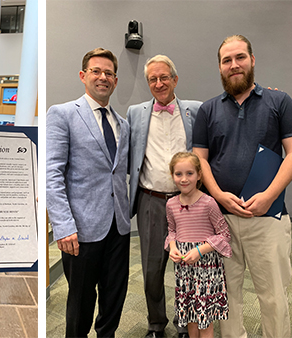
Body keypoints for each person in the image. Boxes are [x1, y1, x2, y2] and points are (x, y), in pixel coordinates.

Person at [192, 34, 292, 338]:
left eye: (240, 57)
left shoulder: (280, 101)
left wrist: (268, 196)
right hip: (221, 219)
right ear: (220, 67)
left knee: (274, 296)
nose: (234, 65)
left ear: (252, 60)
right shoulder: (208, 110)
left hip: (266, 218)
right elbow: (200, 160)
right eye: (227, 60)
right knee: (227, 297)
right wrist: (218, 196)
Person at [46, 47, 131, 337]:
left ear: (116, 81)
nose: (103, 77)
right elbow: (52, 173)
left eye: (109, 73)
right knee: (81, 301)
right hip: (80, 230)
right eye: (96, 71)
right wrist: (63, 226)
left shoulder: (124, 125)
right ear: (83, 76)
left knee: (114, 298)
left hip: (119, 228)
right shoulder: (63, 114)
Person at [127, 54, 201, 338]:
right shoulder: (135, 112)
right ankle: (156, 324)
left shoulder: (195, 110)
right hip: (151, 201)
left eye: (164, 77)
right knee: (152, 269)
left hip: (188, 203)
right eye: (152, 79)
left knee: (187, 267)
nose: (159, 83)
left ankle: (185, 324)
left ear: (175, 79)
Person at [165, 152, 231, 338]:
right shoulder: (171, 204)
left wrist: (201, 250)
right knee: (190, 318)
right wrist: (173, 247)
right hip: (185, 269)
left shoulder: (208, 203)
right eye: (178, 174)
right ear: (172, 176)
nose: (184, 179)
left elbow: (225, 235)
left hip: (206, 268)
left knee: (205, 321)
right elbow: (172, 231)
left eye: (189, 173)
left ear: (199, 175)